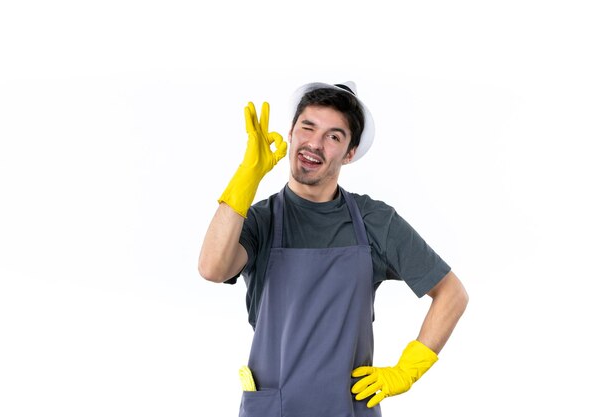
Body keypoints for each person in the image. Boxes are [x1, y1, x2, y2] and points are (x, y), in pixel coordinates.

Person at [198, 81, 469, 417]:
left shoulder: (373, 221)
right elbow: (212, 268)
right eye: (307, 127)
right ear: (292, 132)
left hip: (348, 409)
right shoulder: (260, 220)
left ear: (349, 153)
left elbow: (452, 293)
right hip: (274, 409)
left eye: (334, 136)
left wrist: (406, 370)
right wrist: (247, 176)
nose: (314, 143)